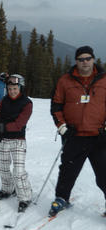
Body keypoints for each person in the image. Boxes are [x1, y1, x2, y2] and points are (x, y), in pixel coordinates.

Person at [49, 45, 106, 216]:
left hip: (99, 136)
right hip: (74, 136)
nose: (85, 62)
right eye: (81, 59)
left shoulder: (104, 80)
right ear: (76, 61)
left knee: (104, 173)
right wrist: (62, 127)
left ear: (93, 59)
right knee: (68, 170)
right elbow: (56, 106)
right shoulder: (65, 81)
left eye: (88, 58)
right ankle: (61, 198)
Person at [0, 74, 33, 213]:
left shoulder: (27, 103)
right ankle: (7, 189)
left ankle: (25, 197)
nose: (12, 91)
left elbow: (19, 124)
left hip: (18, 140)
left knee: (18, 172)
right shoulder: (4, 101)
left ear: (20, 88)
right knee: (2, 168)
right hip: (3, 140)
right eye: (10, 88)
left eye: (15, 88)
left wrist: (2, 127)